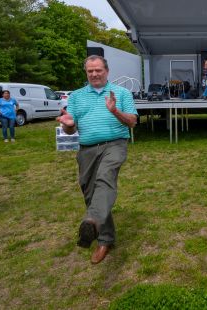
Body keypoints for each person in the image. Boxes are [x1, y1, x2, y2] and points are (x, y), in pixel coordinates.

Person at [57, 55, 137, 264]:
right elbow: (71, 127)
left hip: (115, 144)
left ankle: (94, 226)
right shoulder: (76, 96)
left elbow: (132, 122)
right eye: (90, 71)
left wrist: (115, 110)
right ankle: (106, 236)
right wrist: (67, 124)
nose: (94, 74)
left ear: (107, 71)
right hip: (87, 149)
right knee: (89, 190)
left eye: (98, 70)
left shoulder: (121, 93)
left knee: (105, 177)